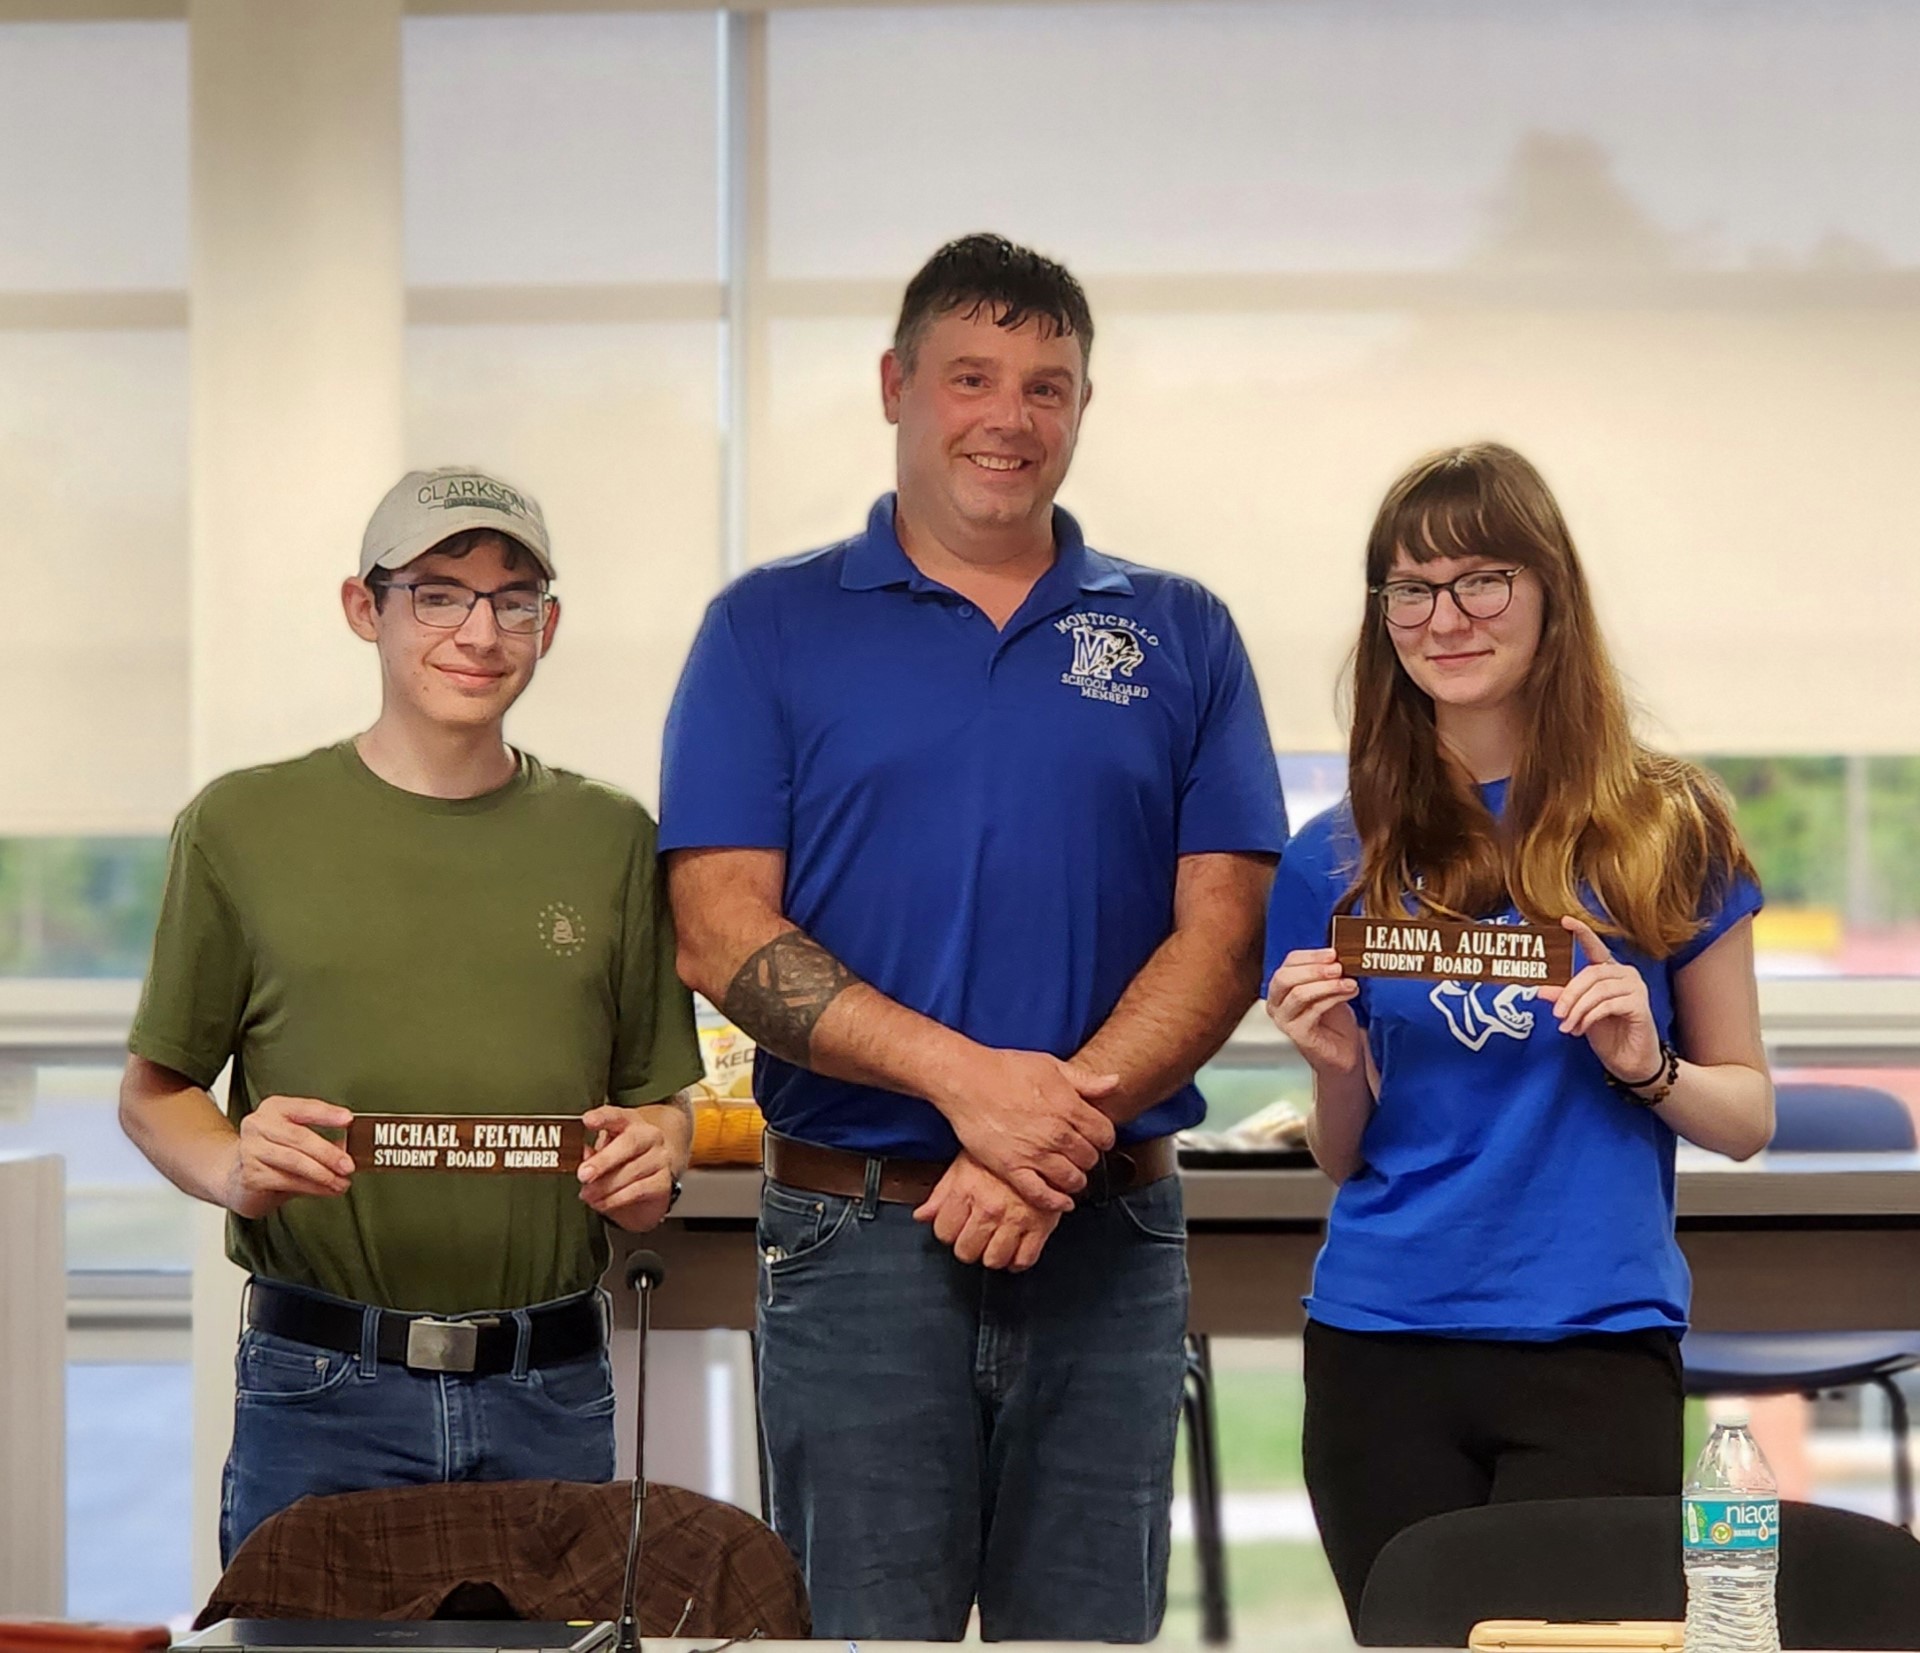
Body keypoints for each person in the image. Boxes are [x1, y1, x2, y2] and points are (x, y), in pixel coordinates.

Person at [661, 233, 1287, 1641]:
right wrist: (971, 1084)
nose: (1009, 417)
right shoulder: (765, 630)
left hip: (1109, 1235)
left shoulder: (1182, 632)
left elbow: (1224, 933)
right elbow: (717, 930)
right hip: (857, 1235)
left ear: (1081, 407)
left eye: (1048, 386)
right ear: (895, 385)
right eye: (972, 376)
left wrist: (1045, 1132)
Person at [119, 467, 704, 1562]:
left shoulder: (614, 836)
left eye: (512, 597)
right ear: (365, 608)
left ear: (549, 623)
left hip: (555, 1384)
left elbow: (657, 1104)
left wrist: (653, 1155)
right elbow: (155, 1094)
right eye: (438, 593)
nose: (479, 631)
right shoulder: (242, 825)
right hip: (320, 1387)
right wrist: (234, 1166)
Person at [1263, 441, 1774, 1629]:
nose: (1446, 616)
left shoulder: (1666, 826)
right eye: (1411, 587)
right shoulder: (1335, 857)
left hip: (1592, 1346)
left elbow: (1747, 1116)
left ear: (1551, 595)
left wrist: (1647, 1066)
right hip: (1378, 1347)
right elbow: (1349, 1158)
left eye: (1483, 579)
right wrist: (1336, 1072)